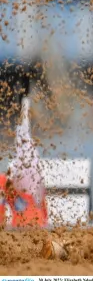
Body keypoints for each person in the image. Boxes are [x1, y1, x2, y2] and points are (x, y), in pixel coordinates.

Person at [0, 97, 48, 228]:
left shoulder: (35, 178)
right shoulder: (5, 181)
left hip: (36, 227)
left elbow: (43, 206)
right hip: (21, 229)